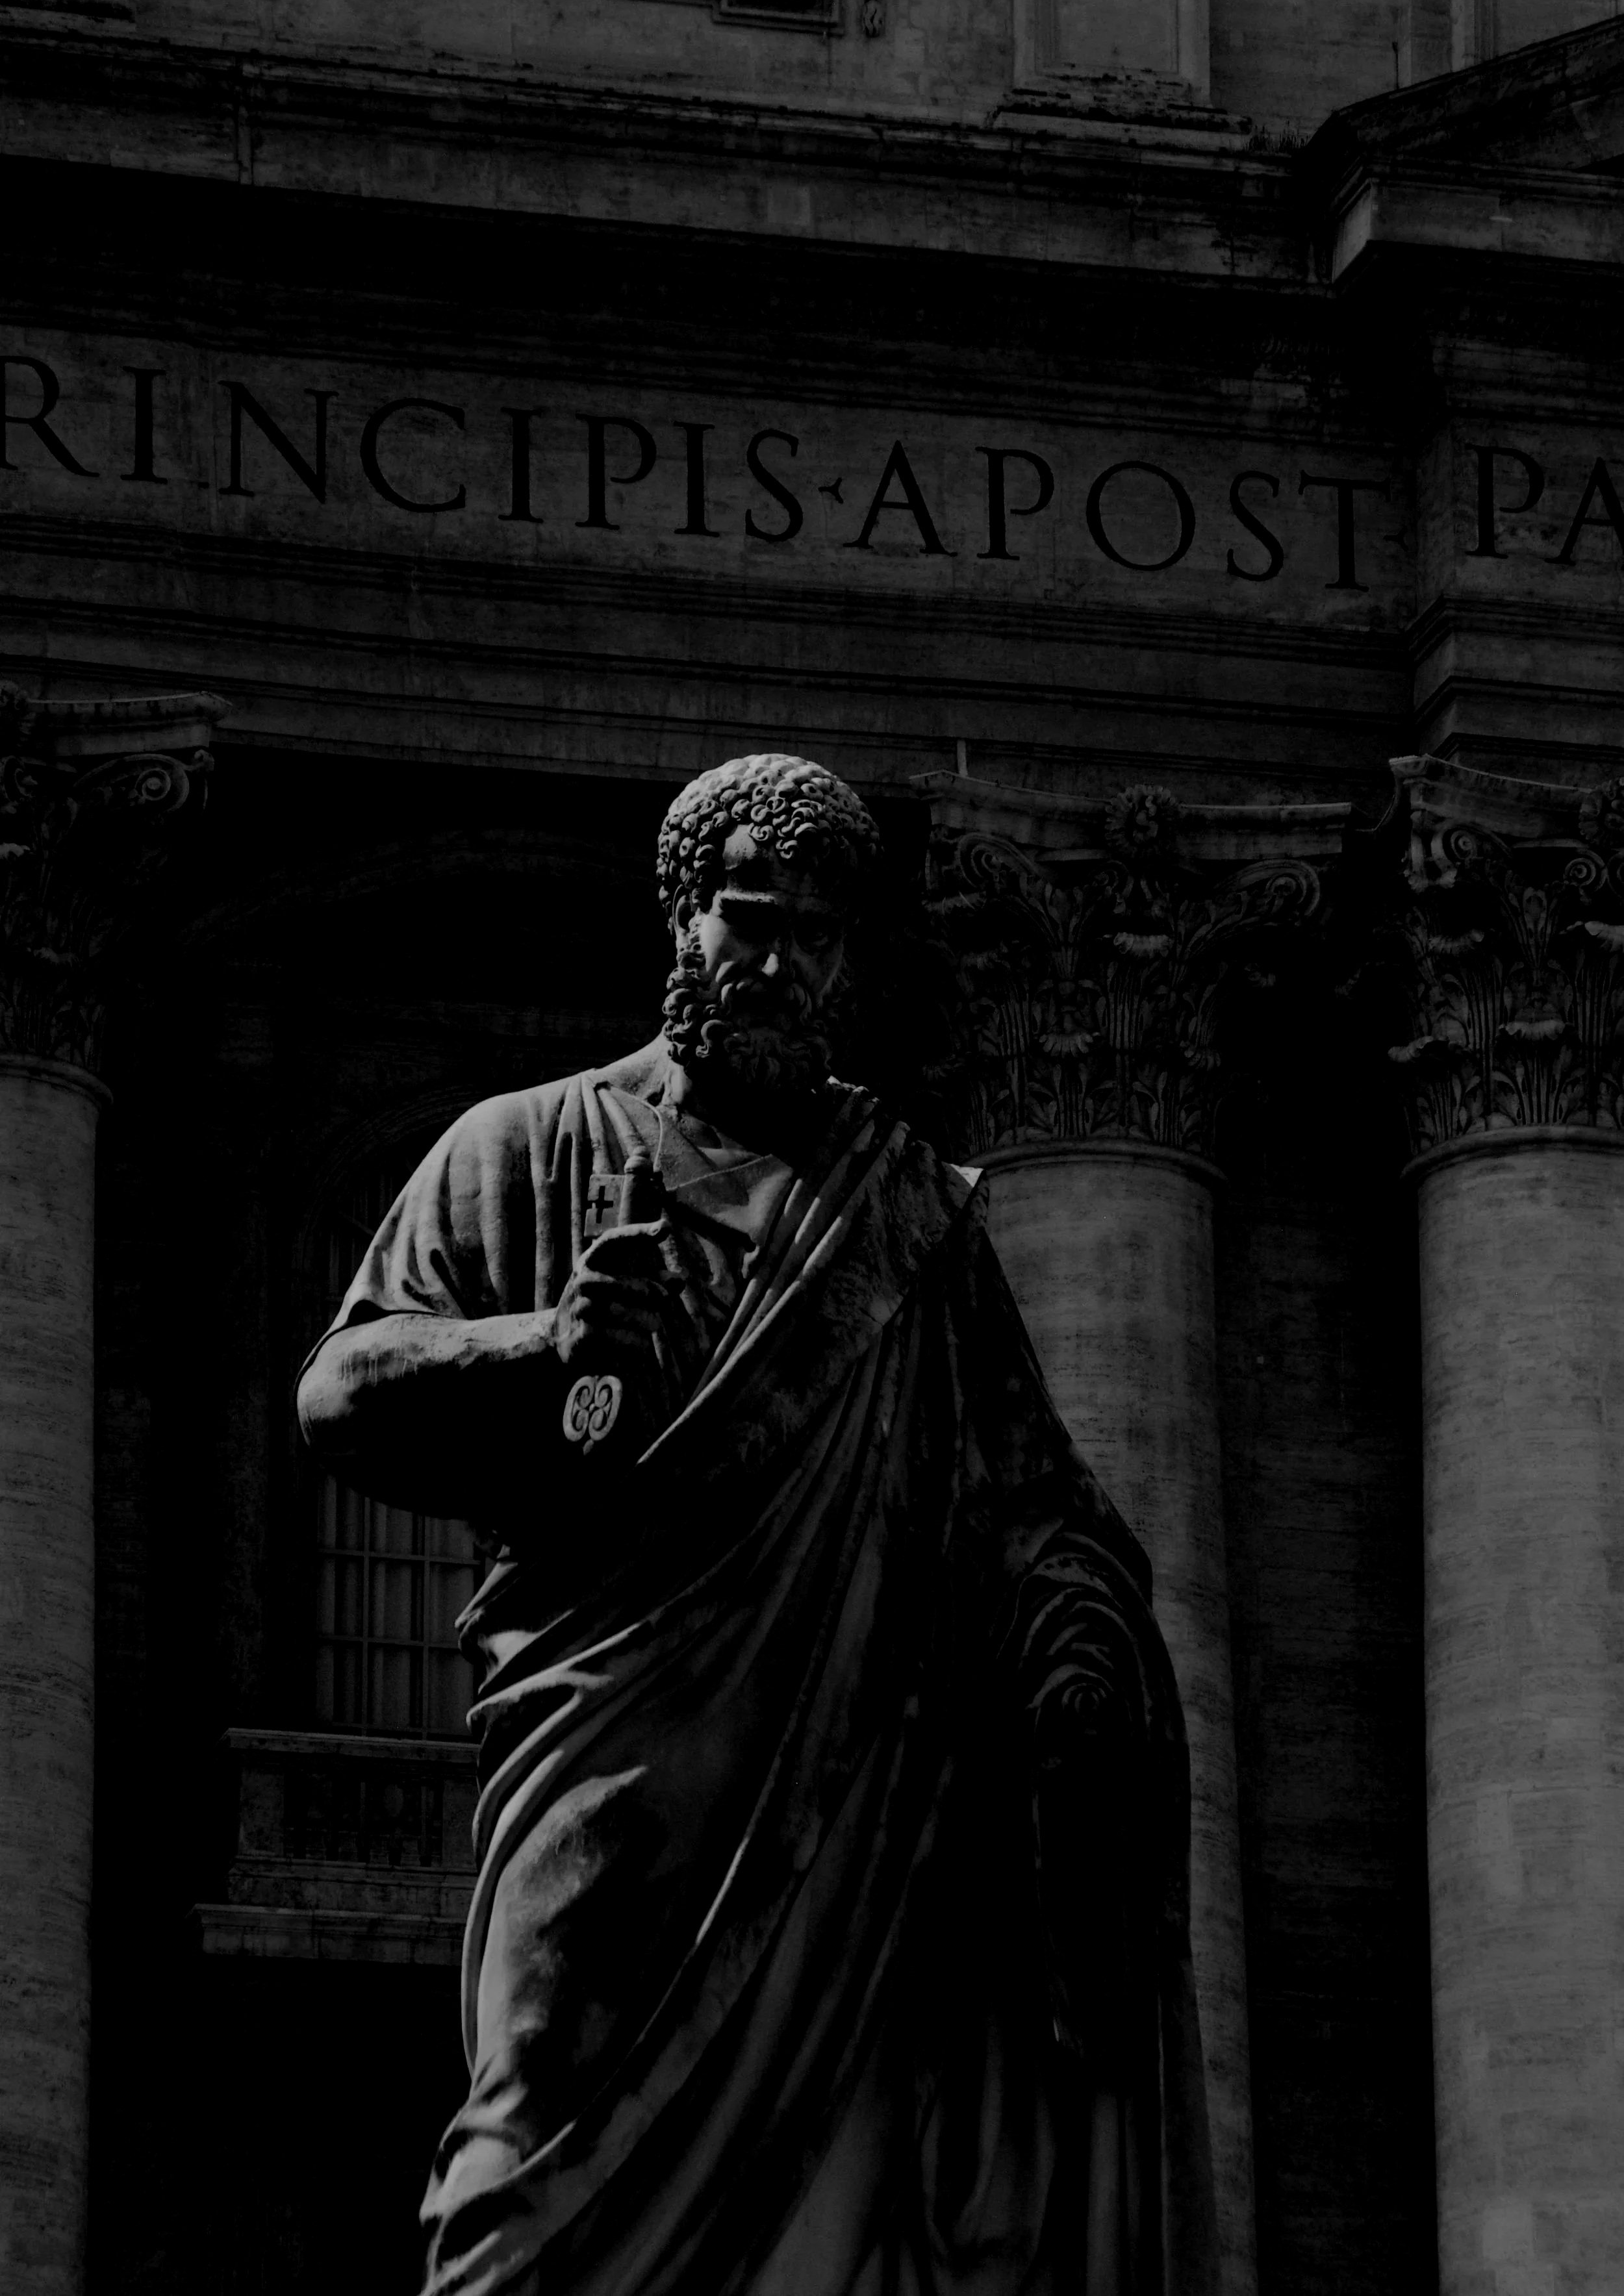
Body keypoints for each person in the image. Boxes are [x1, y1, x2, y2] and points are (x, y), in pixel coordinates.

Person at [296, 753, 1217, 2296]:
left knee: (835, 2211)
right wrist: (536, 1345)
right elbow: (341, 1393)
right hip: (612, 1760)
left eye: (817, 933)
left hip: (853, 1799)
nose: (780, 960)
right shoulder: (519, 1149)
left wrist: (1076, 1656)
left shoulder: (908, 1217)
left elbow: (1034, 1502)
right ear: (681, 923)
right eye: (747, 919)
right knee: (523, 2175)